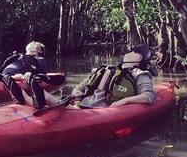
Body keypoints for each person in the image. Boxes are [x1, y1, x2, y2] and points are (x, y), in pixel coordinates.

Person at [9, 46, 157, 111]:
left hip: (93, 107)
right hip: (92, 107)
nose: (130, 52)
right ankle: (33, 97)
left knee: (61, 107)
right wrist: (125, 101)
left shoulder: (131, 72)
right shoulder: (113, 70)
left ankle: (30, 96)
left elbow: (148, 96)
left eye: (134, 51)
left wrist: (123, 101)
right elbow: (149, 96)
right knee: (62, 106)